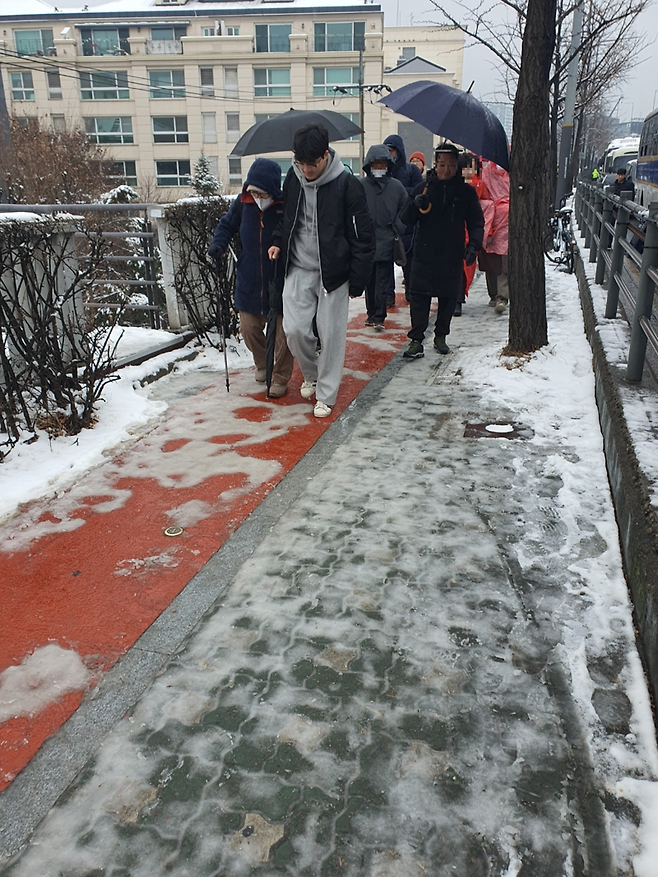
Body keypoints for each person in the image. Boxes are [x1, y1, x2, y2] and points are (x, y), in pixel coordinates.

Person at [268, 124, 374, 418]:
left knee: (331, 335)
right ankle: (312, 374)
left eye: (312, 164)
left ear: (325, 156)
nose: (306, 169)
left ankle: (326, 394)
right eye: (301, 163)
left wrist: (358, 279)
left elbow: (363, 236)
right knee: (294, 330)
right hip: (299, 265)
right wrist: (278, 242)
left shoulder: (346, 185)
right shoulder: (293, 177)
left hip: (333, 273)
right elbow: (287, 217)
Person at [208, 157, 293, 398]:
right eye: (252, 190)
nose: (256, 196)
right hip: (250, 278)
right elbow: (226, 226)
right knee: (248, 328)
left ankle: (280, 376)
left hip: (279, 279)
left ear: (272, 189)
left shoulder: (284, 205)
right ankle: (263, 364)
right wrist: (218, 245)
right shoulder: (242, 204)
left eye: (261, 192)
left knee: (284, 334)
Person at [401, 143, 484, 359]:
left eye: (451, 165)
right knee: (419, 297)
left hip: (451, 253)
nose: (446, 169)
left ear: (457, 166)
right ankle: (416, 340)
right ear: (435, 164)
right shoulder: (423, 188)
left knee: (448, 297)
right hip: (424, 253)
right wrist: (414, 205)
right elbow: (405, 220)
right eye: (442, 164)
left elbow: (476, 222)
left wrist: (473, 245)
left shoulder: (466, 193)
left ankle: (441, 336)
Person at [359, 144, 409, 331]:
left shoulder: (396, 187)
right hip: (367, 242)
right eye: (375, 164)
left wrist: (397, 228)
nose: (379, 168)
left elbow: (405, 211)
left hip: (387, 241)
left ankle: (379, 315)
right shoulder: (361, 186)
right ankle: (372, 313)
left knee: (382, 280)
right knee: (369, 281)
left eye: (382, 164)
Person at [383, 134, 423, 306]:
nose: (391, 154)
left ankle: (411, 290)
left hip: (407, 223)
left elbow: (420, 190)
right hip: (386, 222)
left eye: (392, 150)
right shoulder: (382, 169)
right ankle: (388, 295)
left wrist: (400, 191)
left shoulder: (411, 170)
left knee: (408, 260)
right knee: (385, 262)